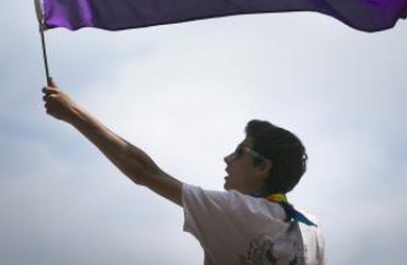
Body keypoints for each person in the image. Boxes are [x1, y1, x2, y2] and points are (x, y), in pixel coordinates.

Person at [43, 77, 325, 264]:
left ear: (263, 167)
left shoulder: (234, 211)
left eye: (239, 152)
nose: (227, 158)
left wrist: (73, 114)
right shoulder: (311, 228)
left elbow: (144, 172)